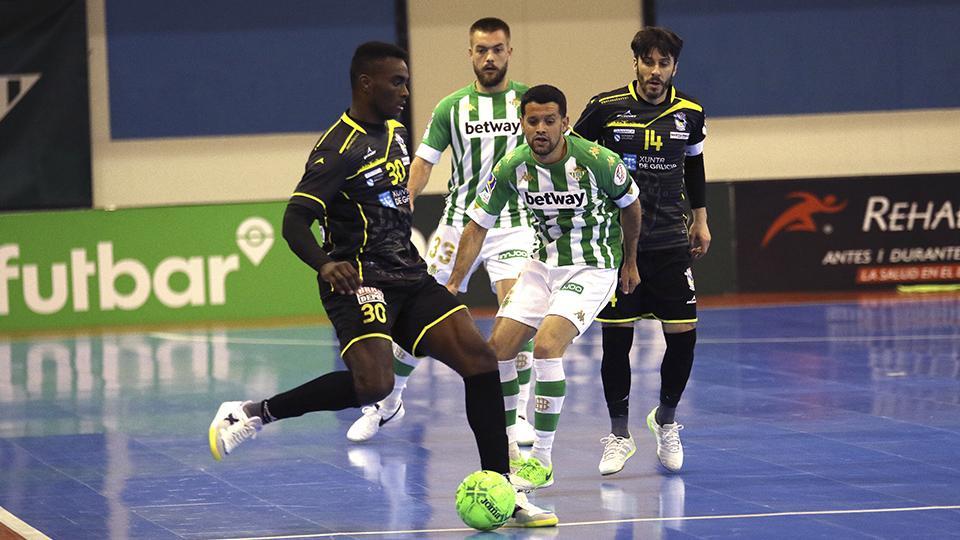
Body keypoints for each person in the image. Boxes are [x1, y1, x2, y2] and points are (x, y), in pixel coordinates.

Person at [207, 41, 557, 528]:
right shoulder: (338, 148)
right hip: (359, 280)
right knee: (375, 384)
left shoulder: (394, 132)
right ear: (365, 83)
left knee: (480, 363)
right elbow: (294, 221)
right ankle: (253, 412)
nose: (406, 91)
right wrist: (325, 264)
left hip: (409, 275)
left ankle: (502, 486)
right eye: (397, 82)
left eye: (407, 81)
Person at [346, 18, 539, 448]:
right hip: (459, 224)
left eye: (497, 49)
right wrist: (405, 201)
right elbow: (424, 161)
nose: (489, 57)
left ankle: (516, 414)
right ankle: (389, 402)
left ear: (509, 52)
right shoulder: (452, 107)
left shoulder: (529, 102)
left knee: (518, 312)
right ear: (470, 54)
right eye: (481, 50)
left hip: (516, 223)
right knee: (424, 313)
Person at [447, 84, 643, 490]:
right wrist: (453, 284)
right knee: (495, 353)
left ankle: (542, 460)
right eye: (533, 121)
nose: (541, 129)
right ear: (523, 123)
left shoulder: (596, 161)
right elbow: (477, 225)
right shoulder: (512, 166)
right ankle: (508, 453)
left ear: (565, 123)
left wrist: (630, 260)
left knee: (546, 347)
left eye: (549, 121)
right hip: (542, 267)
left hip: (592, 267)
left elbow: (632, 205)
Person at [572, 26, 710, 476]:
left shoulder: (690, 112)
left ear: (674, 66)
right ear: (635, 63)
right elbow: (575, 159)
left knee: (683, 336)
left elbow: (695, 165)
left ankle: (665, 420)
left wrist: (702, 219)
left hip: (671, 240)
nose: (655, 71)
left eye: (664, 63)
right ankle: (618, 434)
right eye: (648, 62)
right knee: (617, 341)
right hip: (617, 245)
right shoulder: (604, 108)